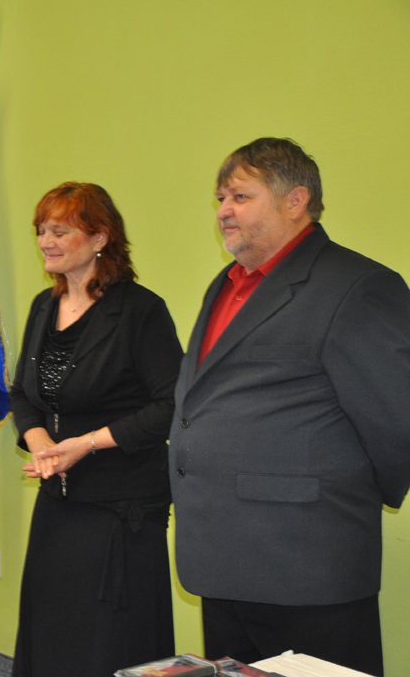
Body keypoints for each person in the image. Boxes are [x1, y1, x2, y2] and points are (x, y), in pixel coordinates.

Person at [170, 138, 410, 675]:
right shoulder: (226, 284)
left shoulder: (357, 286)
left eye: (240, 197)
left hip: (305, 562)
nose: (223, 210)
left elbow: (397, 421)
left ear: (295, 201)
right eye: (220, 198)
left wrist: (340, 499)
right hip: (221, 556)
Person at [10, 182, 183, 677]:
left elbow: (172, 405)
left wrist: (86, 445)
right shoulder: (44, 306)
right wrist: (41, 443)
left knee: (107, 643)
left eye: (59, 231)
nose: (45, 241)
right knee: (52, 632)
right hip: (58, 500)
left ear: (100, 237)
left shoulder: (141, 310)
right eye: (41, 230)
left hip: (121, 507)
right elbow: (21, 394)